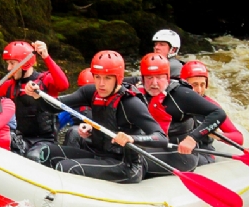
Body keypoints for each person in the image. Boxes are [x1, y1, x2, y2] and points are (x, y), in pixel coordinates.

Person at [24, 50, 168, 184]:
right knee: (45, 152)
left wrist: (132, 139)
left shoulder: (131, 103)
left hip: (126, 164)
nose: (101, 83)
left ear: (118, 78)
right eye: (97, 77)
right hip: (98, 154)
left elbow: (161, 138)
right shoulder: (91, 92)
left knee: (65, 167)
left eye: (107, 78)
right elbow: (55, 106)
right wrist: (38, 96)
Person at [138, 53, 227, 177]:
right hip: (156, 147)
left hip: (181, 154)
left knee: (132, 160)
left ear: (167, 77)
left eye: (159, 77)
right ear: (142, 79)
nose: (154, 83)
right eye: (149, 78)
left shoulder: (181, 94)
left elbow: (218, 113)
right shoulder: (138, 89)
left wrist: (193, 138)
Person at [0, 40, 69, 159]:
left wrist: (46, 57)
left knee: (33, 156)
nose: (8, 68)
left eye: (12, 63)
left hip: (46, 140)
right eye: (8, 63)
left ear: (25, 64)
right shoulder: (8, 86)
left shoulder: (45, 80)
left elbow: (63, 85)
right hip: (21, 138)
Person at [180, 60, 243, 165]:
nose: (199, 90)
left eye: (202, 85)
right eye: (194, 85)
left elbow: (238, 137)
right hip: (179, 149)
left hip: (203, 154)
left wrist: (215, 134)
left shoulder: (212, 107)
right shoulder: (173, 101)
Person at [58, 68, 94, 148]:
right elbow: (57, 122)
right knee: (74, 132)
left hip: (100, 141)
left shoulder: (108, 105)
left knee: (74, 132)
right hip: (80, 140)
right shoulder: (73, 105)